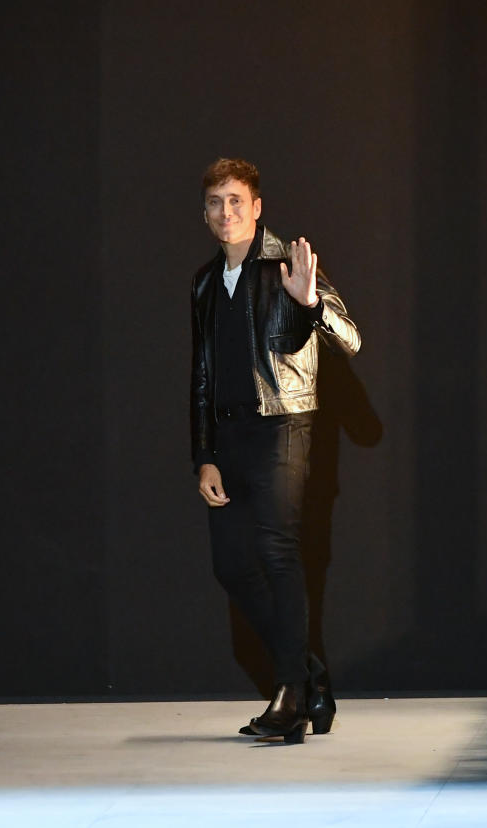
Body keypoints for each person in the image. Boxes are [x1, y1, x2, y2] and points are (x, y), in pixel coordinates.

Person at [189, 158, 360, 743]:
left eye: (236, 201)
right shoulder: (206, 283)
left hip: (285, 425)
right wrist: (204, 454)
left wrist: (310, 303)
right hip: (231, 438)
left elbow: (351, 338)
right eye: (215, 202)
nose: (226, 212)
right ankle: (310, 681)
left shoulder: (289, 263)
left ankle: (288, 695)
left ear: (257, 208)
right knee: (232, 565)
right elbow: (202, 376)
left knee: (275, 549)